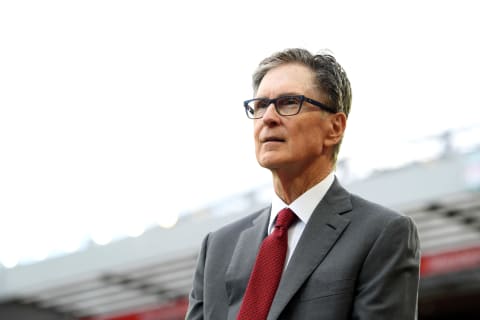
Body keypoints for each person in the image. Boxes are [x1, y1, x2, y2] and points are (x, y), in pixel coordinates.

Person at [186, 48, 420, 320]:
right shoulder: (217, 248)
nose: (268, 118)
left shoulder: (382, 233)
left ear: (334, 127)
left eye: (288, 102)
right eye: (260, 105)